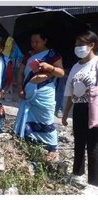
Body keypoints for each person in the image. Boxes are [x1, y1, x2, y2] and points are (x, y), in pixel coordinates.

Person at [13, 30, 64, 161]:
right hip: (28, 94)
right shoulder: (28, 55)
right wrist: (20, 88)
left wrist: (49, 68)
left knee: (47, 120)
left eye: (37, 41)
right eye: (32, 41)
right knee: (27, 119)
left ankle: (52, 150)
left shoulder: (52, 55)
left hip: (44, 94)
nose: (34, 44)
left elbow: (61, 73)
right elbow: (20, 73)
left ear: (45, 40)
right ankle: (29, 145)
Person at [62, 30, 98, 187]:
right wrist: (65, 114)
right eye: (76, 45)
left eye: (81, 45)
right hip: (79, 108)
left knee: (93, 144)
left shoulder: (96, 63)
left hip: (94, 108)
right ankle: (77, 174)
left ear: (91, 45)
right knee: (79, 141)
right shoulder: (76, 67)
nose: (77, 48)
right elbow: (70, 93)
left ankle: (94, 182)